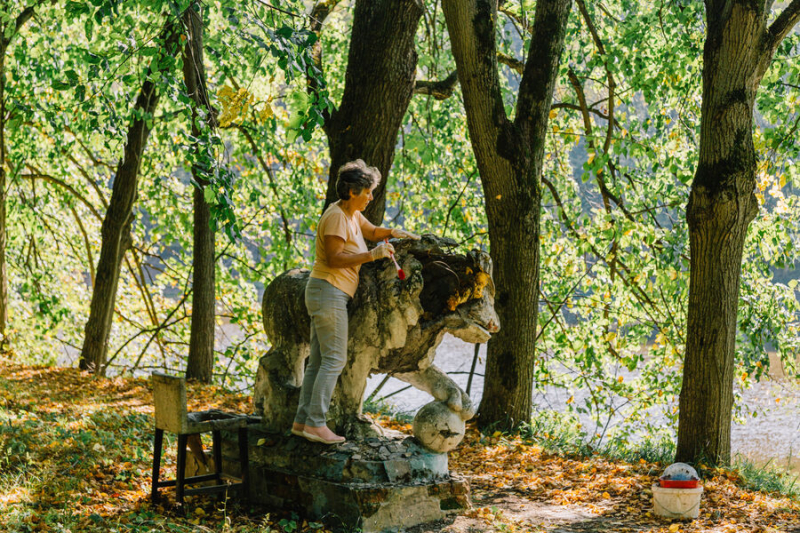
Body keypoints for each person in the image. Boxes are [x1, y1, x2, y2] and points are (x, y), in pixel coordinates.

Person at [293, 160, 419, 444]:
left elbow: (372, 232)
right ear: (352, 191)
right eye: (368, 191)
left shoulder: (351, 215)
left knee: (318, 362)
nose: (371, 197)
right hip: (329, 290)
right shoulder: (337, 216)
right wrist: (372, 256)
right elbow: (335, 258)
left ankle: (302, 422)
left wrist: (393, 233)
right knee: (335, 359)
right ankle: (315, 423)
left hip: (327, 291)